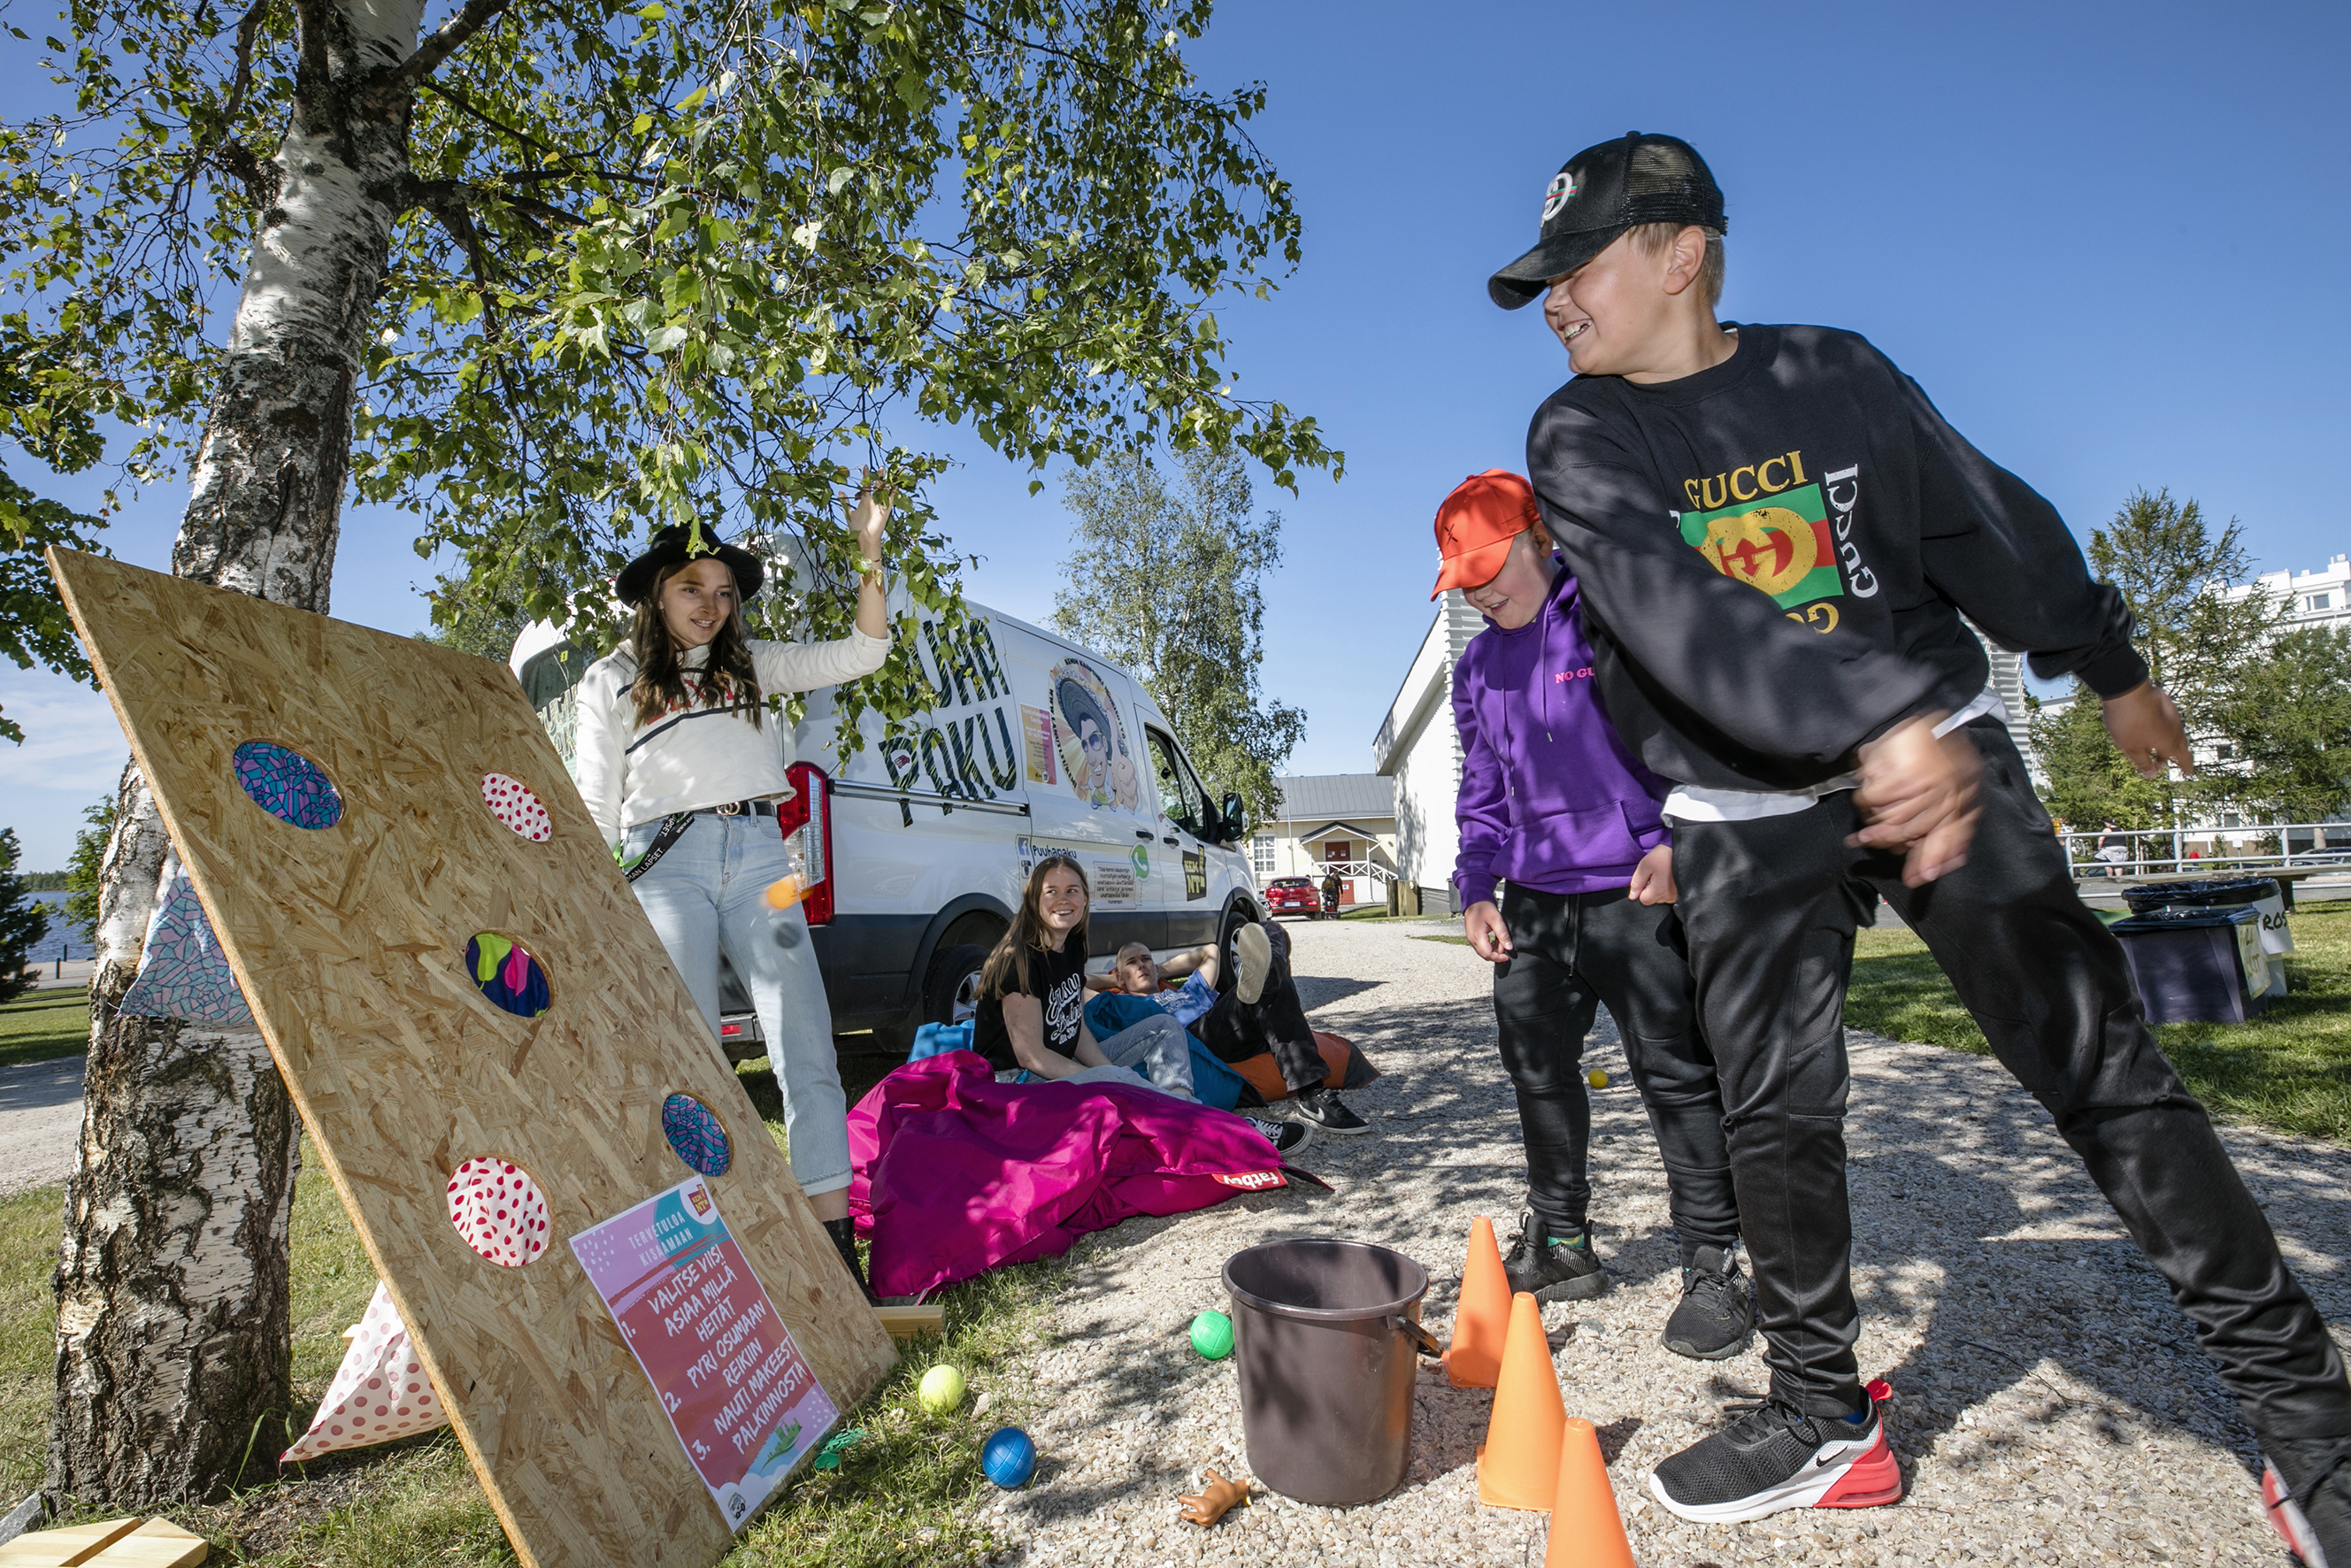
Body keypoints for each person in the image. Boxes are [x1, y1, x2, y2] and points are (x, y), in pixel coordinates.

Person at [1487, 130, 2351, 1544]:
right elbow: (1680, 615)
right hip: (1748, 807)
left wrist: (2107, 665)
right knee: (1775, 1112)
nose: (1558, 304)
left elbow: (1984, 526)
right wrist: (1869, 709)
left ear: (1681, 254)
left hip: (1943, 762)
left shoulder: (1834, 373)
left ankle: (2311, 1426)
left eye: (1577, 270)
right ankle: (1824, 1414)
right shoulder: (1578, 437)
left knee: (2105, 1072)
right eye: (1547, 286)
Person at [1437, 469, 1747, 1357]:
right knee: (1536, 1065)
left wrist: (1677, 836)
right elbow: (1484, 787)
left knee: (1672, 1073)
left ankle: (1711, 1261)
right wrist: (1475, 887)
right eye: (1465, 575)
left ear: (1538, 537)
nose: (1482, 588)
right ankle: (1563, 1243)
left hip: (1634, 885)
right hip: (1534, 901)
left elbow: (1687, 730)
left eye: (1493, 564)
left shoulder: (1609, 614)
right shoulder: (1475, 667)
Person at [575, 485, 895, 1301]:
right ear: (656, 591)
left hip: (763, 865)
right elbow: (590, 809)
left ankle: (833, 1255)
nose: (711, 606)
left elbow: (862, 652)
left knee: (808, 1049)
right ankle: (706, 1258)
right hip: (665, 865)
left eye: (724, 594)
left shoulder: (752, 667)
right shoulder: (608, 679)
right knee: (687, 1063)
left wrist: (869, 551)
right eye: (693, 589)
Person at [1084, 921, 1371, 1139]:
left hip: (1224, 1022)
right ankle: (1313, 1095)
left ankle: (1267, 975)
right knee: (1267, 982)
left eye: (1146, 959)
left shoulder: (1189, 991)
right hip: (1191, 1039)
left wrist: (1161, 970)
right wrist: (1118, 982)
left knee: (1270, 929)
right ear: (1119, 976)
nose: (1142, 965)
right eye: (1132, 963)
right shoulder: (1117, 1002)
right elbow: (1076, 983)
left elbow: (1209, 952)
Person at [971, 856, 1197, 1101]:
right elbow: (1031, 1056)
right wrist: (1105, 1078)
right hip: (1017, 1083)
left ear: (1085, 898)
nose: (1063, 900)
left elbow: (1073, 1028)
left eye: (1071, 890)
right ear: (1034, 901)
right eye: (1051, 892)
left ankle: (1182, 1100)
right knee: (1123, 1082)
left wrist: (1108, 1071)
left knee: (1164, 1027)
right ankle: (1186, 1114)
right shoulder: (1018, 962)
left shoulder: (1073, 947)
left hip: (1060, 1065)